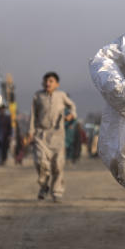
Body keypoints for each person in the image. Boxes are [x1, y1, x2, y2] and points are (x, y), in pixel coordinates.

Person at [27, 72, 76, 202]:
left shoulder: (61, 96)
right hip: (41, 135)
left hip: (58, 136)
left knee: (58, 165)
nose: (47, 83)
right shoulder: (37, 96)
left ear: (57, 84)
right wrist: (30, 132)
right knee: (40, 162)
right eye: (45, 81)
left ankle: (57, 191)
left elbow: (72, 106)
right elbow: (32, 115)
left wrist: (71, 115)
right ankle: (43, 186)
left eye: (50, 81)